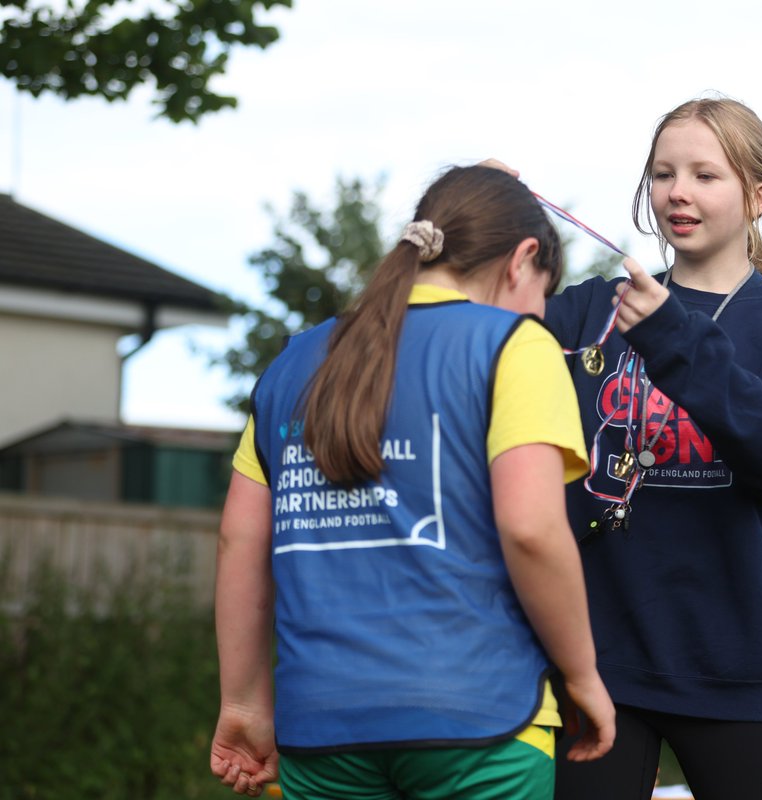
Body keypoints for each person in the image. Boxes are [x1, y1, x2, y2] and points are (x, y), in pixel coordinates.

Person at [208, 165, 615, 800]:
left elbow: (240, 541)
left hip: (321, 728)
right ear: (522, 259)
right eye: (543, 293)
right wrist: (582, 674)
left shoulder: (294, 362)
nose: (540, 314)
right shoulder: (513, 345)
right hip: (482, 718)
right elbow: (531, 529)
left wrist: (243, 703)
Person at [541, 97, 762, 800]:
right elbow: (472, 323)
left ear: (758, 196)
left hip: (740, 664)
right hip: (596, 663)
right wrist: (480, 208)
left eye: (705, 176)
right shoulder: (594, 309)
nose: (678, 192)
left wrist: (671, 338)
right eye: (663, 174)